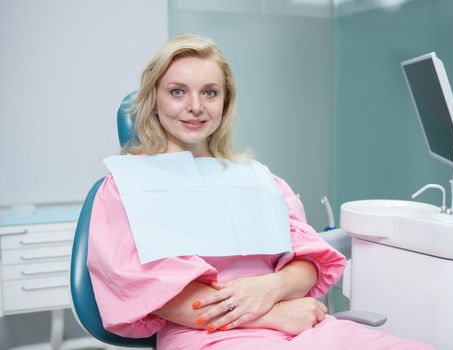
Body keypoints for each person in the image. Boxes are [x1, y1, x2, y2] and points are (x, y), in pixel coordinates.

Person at [87, 33, 434, 350]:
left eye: (210, 92)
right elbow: (160, 296)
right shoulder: (129, 187)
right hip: (205, 335)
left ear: (225, 102)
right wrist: (274, 314)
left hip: (301, 328)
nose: (195, 106)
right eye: (177, 91)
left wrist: (271, 288)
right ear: (155, 99)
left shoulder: (257, 179)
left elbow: (309, 263)